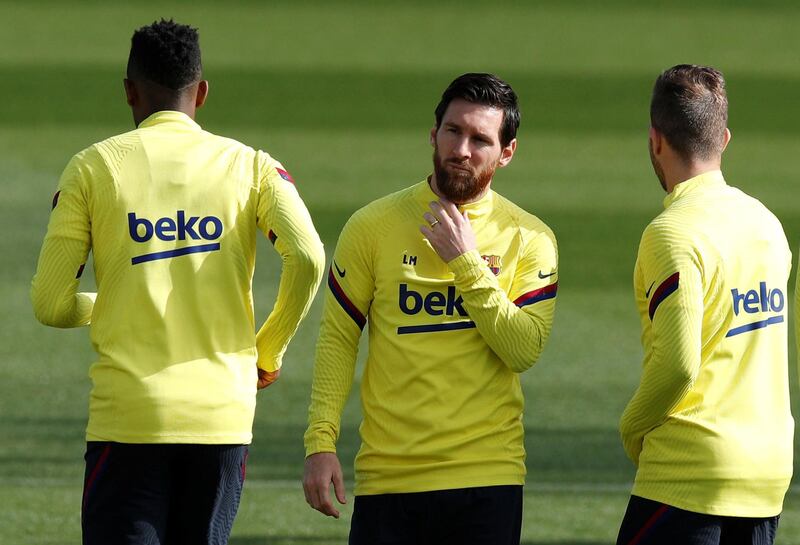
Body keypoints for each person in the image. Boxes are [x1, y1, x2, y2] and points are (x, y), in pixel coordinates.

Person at [30, 19, 325, 545]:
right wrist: (268, 351)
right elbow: (307, 256)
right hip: (221, 419)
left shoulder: (92, 168)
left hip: (128, 421)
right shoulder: (251, 166)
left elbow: (51, 304)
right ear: (202, 92)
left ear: (128, 91)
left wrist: (107, 302)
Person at [302, 73, 558, 545]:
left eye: (480, 139)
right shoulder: (371, 226)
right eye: (452, 131)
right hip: (390, 477)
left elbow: (523, 350)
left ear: (507, 152)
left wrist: (465, 263)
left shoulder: (530, 237)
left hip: (488, 476)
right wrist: (320, 442)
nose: (462, 148)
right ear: (433, 134)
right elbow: (338, 338)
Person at [617, 65, 793, 545]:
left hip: (690, 475)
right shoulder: (766, 224)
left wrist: (632, 428)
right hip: (766, 474)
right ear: (725, 137)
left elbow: (677, 366)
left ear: (656, 140)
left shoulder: (671, 233)